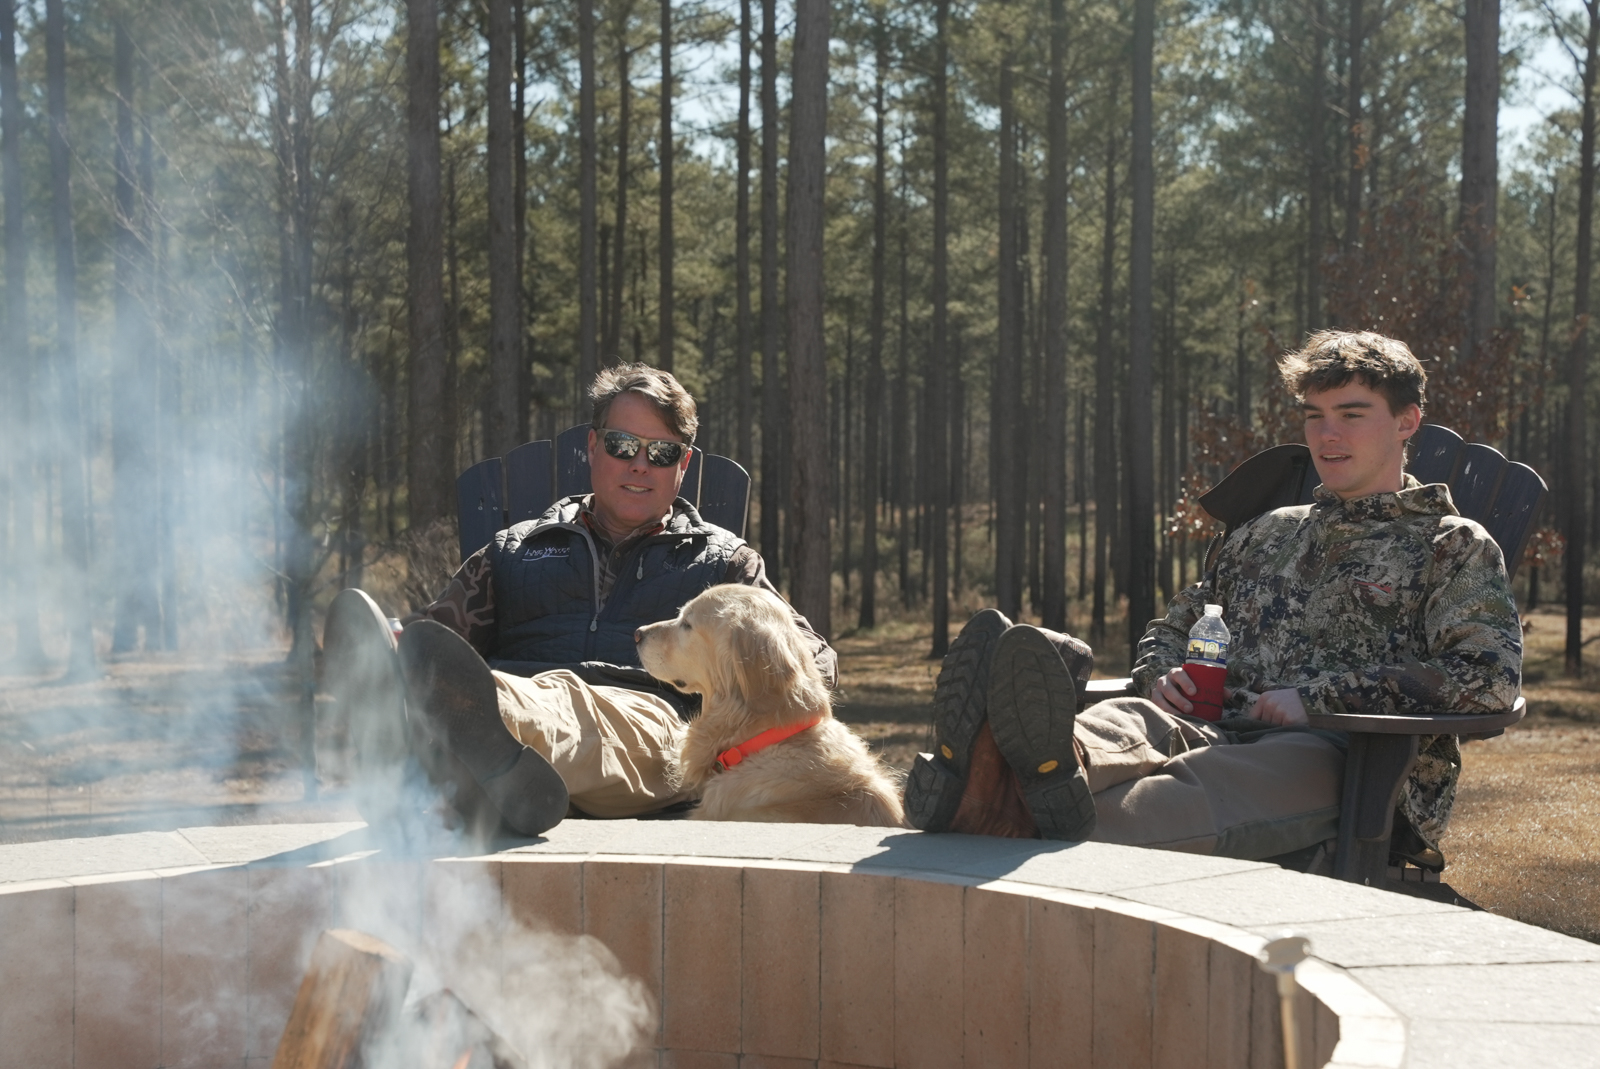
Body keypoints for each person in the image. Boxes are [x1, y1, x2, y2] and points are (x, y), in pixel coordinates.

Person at [905, 330, 1522, 865]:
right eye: (1313, 415)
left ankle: (997, 802)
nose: (1326, 434)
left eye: (1351, 414)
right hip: (1207, 718)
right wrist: (1162, 674)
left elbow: (1486, 677)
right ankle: (1025, 767)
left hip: (1349, 757)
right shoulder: (1266, 533)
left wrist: (1316, 700)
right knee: (1129, 720)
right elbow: (1176, 624)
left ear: (1407, 422)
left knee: (1204, 782)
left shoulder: (1452, 545)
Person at [324, 364, 835, 838]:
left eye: (661, 453)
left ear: (683, 466)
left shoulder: (725, 568)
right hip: (515, 710)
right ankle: (475, 754)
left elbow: (809, 663)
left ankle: (460, 741)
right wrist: (396, 653)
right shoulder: (514, 550)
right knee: (457, 681)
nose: (640, 465)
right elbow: (436, 643)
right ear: (592, 447)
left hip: (655, 732)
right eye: (621, 444)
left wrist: (730, 692)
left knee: (560, 703)